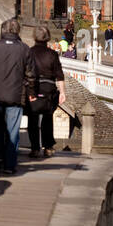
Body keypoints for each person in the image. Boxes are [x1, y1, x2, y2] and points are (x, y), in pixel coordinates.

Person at [0, 19, 36, 175]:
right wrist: (31, 93)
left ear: (3, 31)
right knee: (12, 131)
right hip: (16, 96)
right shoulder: (24, 49)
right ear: (18, 31)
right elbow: (31, 75)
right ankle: (9, 165)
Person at [26, 24, 66, 159]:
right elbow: (59, 75)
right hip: (49, 89)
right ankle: (48, 147)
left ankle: (34, 148)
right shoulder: (52, 54)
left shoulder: (29, 52)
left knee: (33, 119)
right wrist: (62, 92)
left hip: (33, 88)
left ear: (34, 37)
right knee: (48, 118)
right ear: (47, 38)